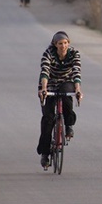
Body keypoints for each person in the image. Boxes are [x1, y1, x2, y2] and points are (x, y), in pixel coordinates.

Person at [37, 31, 83, 169]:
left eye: (65, 43)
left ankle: (68, 125)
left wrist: (78, 89)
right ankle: (45, 154)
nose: (63, 46)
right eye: (60, 44)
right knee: (47, 119)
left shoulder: (74, 54)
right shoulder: (48, 53)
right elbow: (45, 71)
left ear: (68, 43)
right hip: (49, 84)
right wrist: (44, 88)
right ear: (55, 45)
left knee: (66, 97)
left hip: (66, 82)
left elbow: (76, 72)